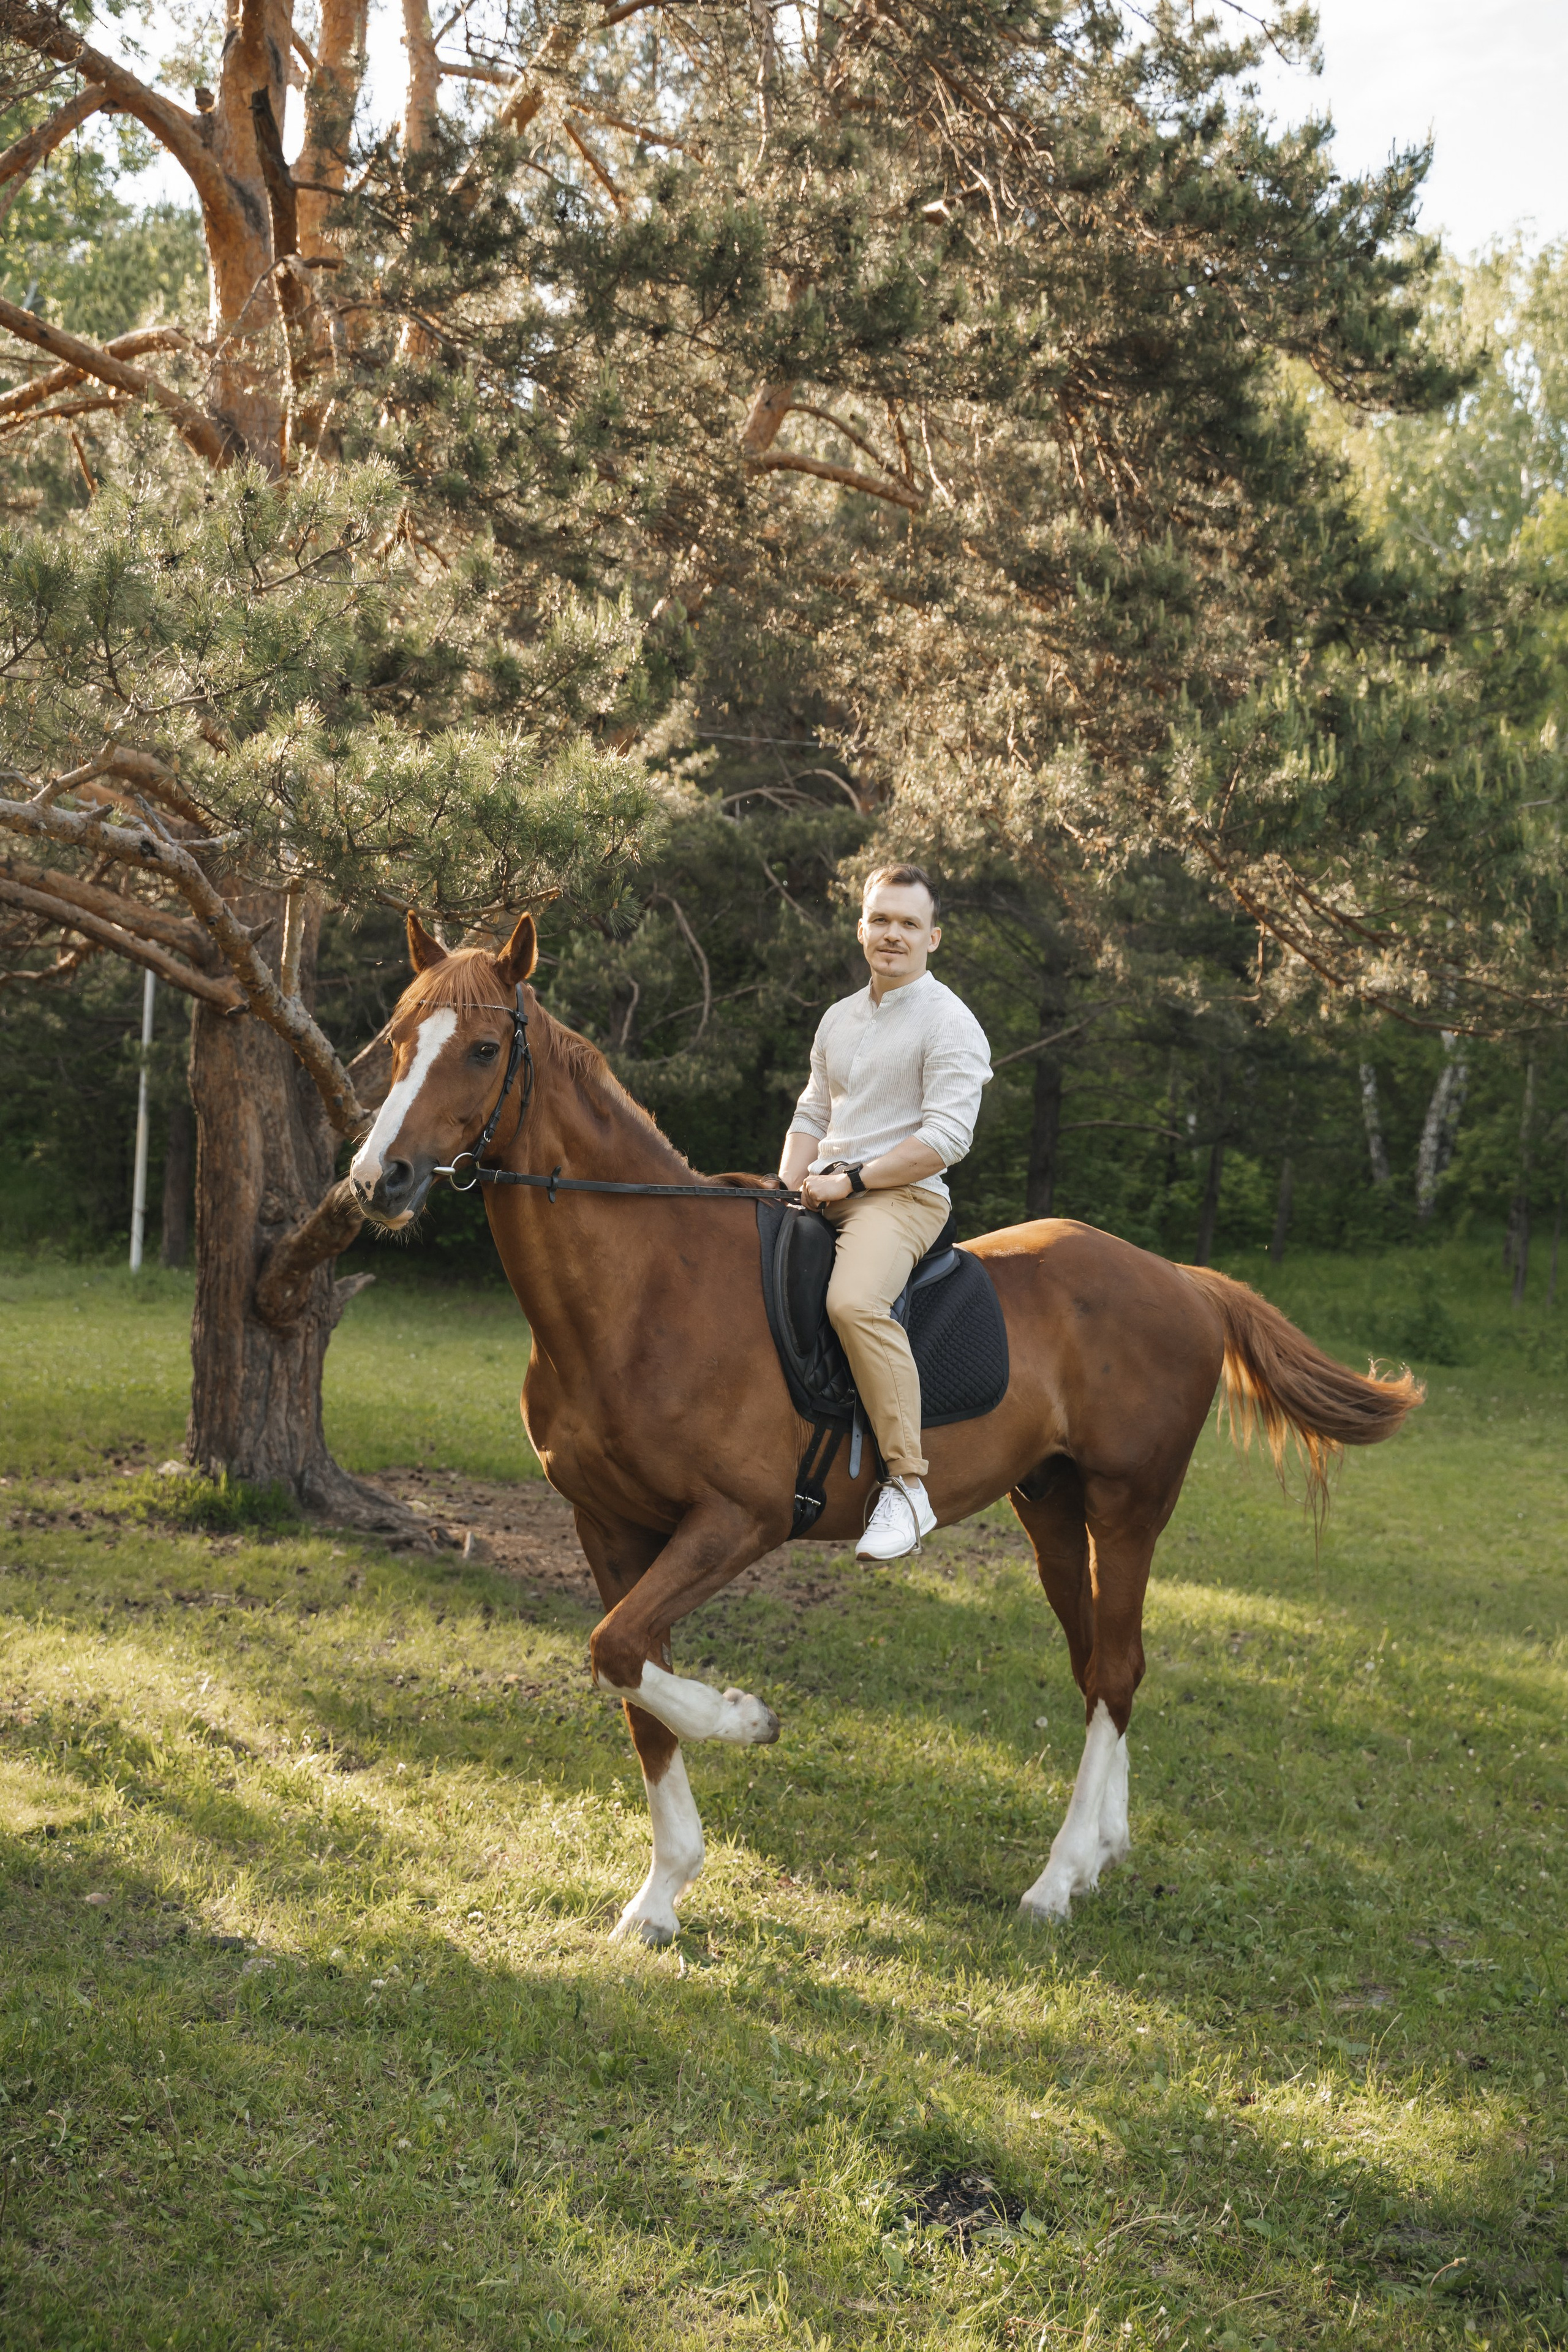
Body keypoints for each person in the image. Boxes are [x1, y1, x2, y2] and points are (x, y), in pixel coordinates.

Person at [778, 863, 993, 1560]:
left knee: (854, 1304)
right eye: (880, 920)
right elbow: (812, 1110)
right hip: (820, 1189)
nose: (891, 935)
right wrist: (785, 1185)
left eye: (907, 923)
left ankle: (906, 1486)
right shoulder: (839, 1017)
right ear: (861, 928)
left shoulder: (950, 1023)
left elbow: (944, 1140)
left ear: (934, 937)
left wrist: (855, 1180)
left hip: (901, 1199)